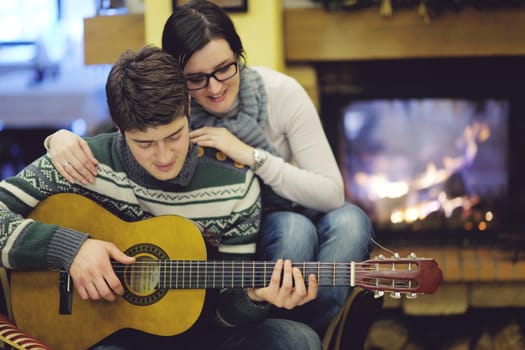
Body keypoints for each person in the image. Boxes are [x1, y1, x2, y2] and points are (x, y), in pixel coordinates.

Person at [42, 0, 374, 336]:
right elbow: (125, 134)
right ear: (176, 78)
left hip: (293, 201)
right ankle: (279, 326)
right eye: (196, 79)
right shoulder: (171, 112)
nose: (214, 88)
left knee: (352, 221)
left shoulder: (280, 93)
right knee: (294, 229)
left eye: (224, 68)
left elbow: (332, 194)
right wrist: (59, 138)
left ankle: (318, 331)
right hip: (249, 228)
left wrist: (250, 155)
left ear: (238, 55)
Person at [0, 45, 322, 350]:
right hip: (108, 334)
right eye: (145, 143)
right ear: (119, 127)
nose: (164, 155)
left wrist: (253, 296)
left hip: (201, 335)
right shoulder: (81, 163)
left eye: (174, 135)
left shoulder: (236, 187)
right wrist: (70, 249)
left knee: (298, 339)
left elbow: (224, 313)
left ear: (188, 109)